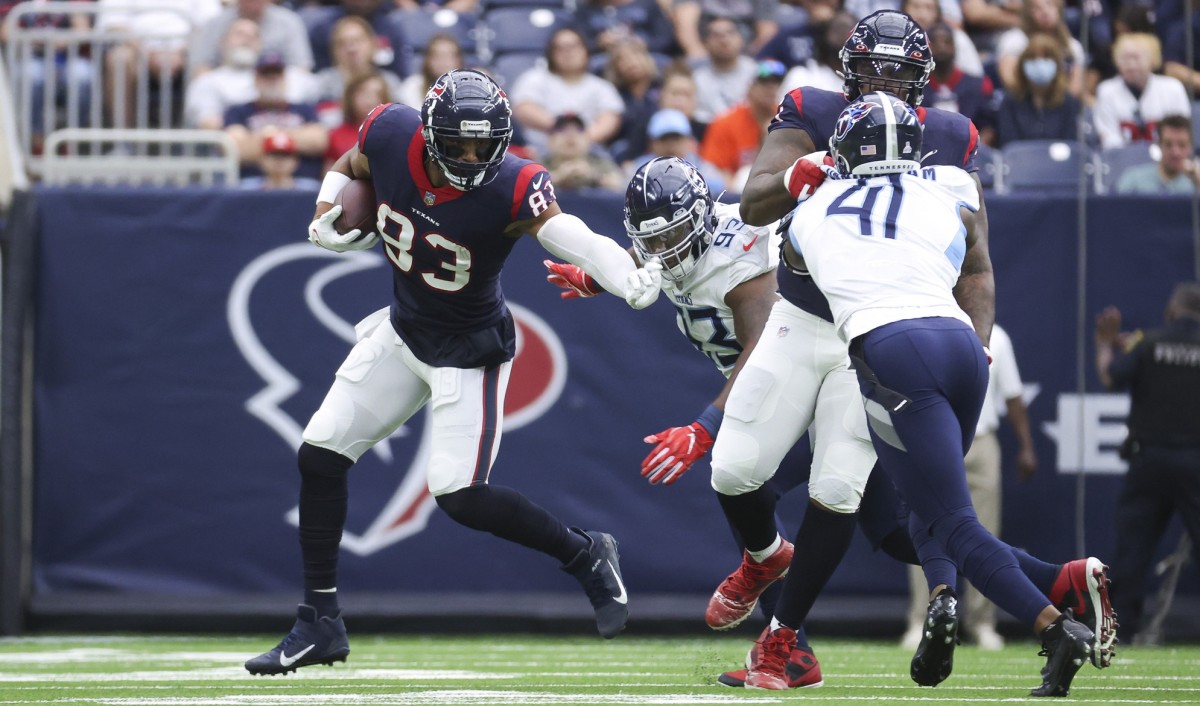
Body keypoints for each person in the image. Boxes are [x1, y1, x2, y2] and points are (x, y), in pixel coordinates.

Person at [727, 9, 1116, 689]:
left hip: (877, 344)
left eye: (896, 72)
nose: (882, 80)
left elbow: (776, 237)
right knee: (913, 517)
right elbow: (972, 259)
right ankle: (1041, 584)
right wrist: (983, 343)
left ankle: (1050, 622)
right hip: (941, 342)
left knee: (910, 509)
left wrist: (807, 185)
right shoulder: (948, 188)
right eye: (871, 68)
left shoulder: (819, 210)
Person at [243, 68, 663, 675]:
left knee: (460, 497)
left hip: (469, 348)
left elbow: (567, 233)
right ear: (431, 132)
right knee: (320, 454)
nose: (471, 157)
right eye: (460, 145)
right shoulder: (390, 130)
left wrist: (622, 274)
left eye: (483, 145)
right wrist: (326, 209)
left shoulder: (515, 183)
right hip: (405, 328)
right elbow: (350, 164)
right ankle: (319, 622)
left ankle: (584, 552)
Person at [545, 155, 954, 691]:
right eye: (655, 241)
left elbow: (761, 351)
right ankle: (1042, 586)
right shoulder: (677, 243)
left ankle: (792, 635)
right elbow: (651, 254)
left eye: (673, 237)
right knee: (889, 531)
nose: (662, 252)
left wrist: (705, 425)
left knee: (751, 484)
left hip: (816, 380)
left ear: (700, 220)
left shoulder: (741, 255)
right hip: (793, 386)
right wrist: (598, 277)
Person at [901, 323, 1037, 651]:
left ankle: (982, 622)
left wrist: (1026, 445)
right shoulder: (922, 328)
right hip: (931, 440)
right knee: (925, 532)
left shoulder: (999, 336)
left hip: (981, 441)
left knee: (984, 534)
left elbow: (1013, 395)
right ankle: (921, 619)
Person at [1095, 283, 1200, 644]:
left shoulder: (1148, 342)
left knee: (1133, 549)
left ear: (1171, 311)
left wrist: (1105, 345)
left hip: (1149, 460)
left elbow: (1110, 378)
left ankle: (1120, 633)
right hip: (1195, 461)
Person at [510, 27, 625, 157]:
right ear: (551, 54)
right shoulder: (534, 78)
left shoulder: (602, 86)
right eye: (561, 48)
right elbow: (523, 108)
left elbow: (610, 119)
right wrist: (562, 131)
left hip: (590, 152)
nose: (569, 53)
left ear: (586, 50)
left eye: (574, 46)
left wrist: (580, 139)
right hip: (541, 151)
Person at [699, 59, 787, 192]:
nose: (771, 88)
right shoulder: (725, 123)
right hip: (736, 195)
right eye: (764, 82)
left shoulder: (786, 120)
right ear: (750, 87)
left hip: (778, 187)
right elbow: (717, 172)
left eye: (776, 83)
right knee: (743, 176)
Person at [1093, 33, 1192, 149]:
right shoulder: (1106, 91)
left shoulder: (1172, 88)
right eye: (1124, 58)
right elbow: (1109, 139)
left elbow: (1181, 133)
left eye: (1136, 58)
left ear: (1152, 60)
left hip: (1164, 161)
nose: (1130, 64)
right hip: (1121, 162)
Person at [994, 33, 1080, 147]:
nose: (1040, 63)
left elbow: (1070, 145)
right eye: (1033, 58)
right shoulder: (1010, 101)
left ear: (1057, 65)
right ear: (1023, 64)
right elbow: (1009, 145)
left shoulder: (1068, 102)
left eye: (1046, 58)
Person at [1115, 114, 1200, 195]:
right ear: (1159, 145)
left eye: (1182, 145)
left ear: (1190, 147)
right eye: (1168, 144)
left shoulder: (1195, 182)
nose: (1175, 152)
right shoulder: (1133, 180)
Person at [543, 113, 625, 191]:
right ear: (551, 140)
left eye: (579, 130)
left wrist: (593, 176)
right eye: (562, 130)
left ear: (588, 140)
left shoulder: (599, 161)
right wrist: (559, 176)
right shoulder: (541, 164)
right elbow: (532, 187)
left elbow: (619, 185)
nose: (571, 134)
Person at [241, 132, 322, 190]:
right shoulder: (245, 189)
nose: (279, 160)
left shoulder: (311, 189)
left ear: (295, 160)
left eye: (285, 155)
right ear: (262, 159)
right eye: (274, 154)